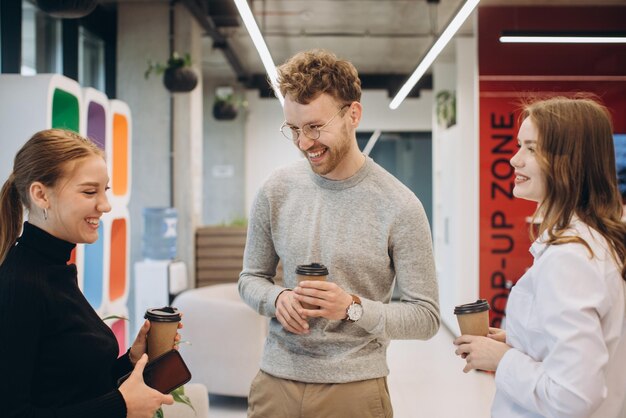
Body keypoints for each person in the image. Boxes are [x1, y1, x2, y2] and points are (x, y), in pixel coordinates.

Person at [238, 49, 440, 417]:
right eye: (294, 129)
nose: (304, 143)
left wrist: (352, 308)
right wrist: (276, 298)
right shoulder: (275, 190)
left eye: (315, 127)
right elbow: (251, 278)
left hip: (355, 390)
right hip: (275, 382)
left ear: (353, 114)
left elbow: (425, 317)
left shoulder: (400, 206)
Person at [454, 96, 626, 417]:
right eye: (519, 146)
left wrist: (502, 359)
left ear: (570, 161)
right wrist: (517, 341)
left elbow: (572, 395)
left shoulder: (570, 257)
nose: (514, 160)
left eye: (531, 148)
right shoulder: (591, 242)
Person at [0, 129, 176, 418]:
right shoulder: (20, 285)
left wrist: (132, 359)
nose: (105, 206)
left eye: (104, 191)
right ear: (41, 194)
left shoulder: (57, 270)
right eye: (89, 191)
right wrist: (121, 406)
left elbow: (69, 385)